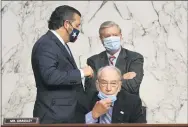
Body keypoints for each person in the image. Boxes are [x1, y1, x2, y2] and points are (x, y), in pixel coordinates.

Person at [31, 5, 93, 124]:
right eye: (77, 25)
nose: (78, 30)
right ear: (67, 24)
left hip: (67, 114)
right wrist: (81, 72)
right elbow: (50, 76)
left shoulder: (60, 44)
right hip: (54, 116)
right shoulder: (46, 44)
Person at [85, 21, 146, 118]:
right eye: (107, 36)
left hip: (129, 112)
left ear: (121, 36)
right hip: (101, 112)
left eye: (115, 35)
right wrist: (121, 78)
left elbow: (133, 87)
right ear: (101, 39)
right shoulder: (93, 61)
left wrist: (104, 83)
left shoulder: (134, 58)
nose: (111, 38)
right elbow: (91, 90)